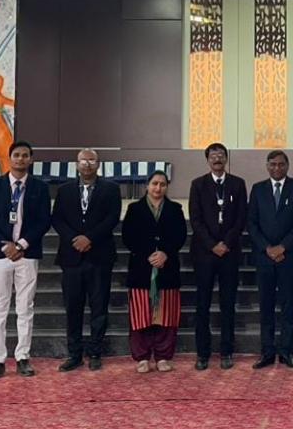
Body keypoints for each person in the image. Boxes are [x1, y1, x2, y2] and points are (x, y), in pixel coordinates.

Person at [0, 140, 51, 379]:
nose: (21, 159)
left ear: (31, 159)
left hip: (27, 254)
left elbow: (44, 221)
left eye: (25, 155)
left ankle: (23, 357)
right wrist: (6, 246)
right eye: (17, 155)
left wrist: (21, 245)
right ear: (9, 158)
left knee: (25, 307)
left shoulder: (40, 187)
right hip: (0, 254)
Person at [53, 149, 122, 371]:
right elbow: (57, 219)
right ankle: (74, 354)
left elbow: (112, 217)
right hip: (71, 257)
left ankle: (95, 352)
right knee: (73, 308)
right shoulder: (64, 190)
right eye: (83, 160)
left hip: (99, 256)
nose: (87, 164)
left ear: (98, 164)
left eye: (91, 160)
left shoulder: (111, 189)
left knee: (99, 308)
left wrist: (89, 238)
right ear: (76, 164)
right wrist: (75, 239)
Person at [247, 150, 293, 369]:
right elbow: (251, 223)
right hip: (264, 257)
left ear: (287, 166)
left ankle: (285, 351)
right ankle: (267, 352)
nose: (277, 168)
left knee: (288, 305)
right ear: (267, 166)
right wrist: (267, 248)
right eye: (273, 164)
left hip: (288, 256)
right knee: (265, 306)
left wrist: (283, 247)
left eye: (281, 164)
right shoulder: (257, 189)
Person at [189, 142, 247, 370]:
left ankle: (226, 351)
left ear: (226, 159)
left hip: (229, 253)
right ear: (207, 160)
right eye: (213, 156)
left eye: (221, 155)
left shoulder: (238, 184)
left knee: (228, 304)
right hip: (204, 254)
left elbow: (241, 218)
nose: (217, 159)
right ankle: (202, 353)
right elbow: (195, 220)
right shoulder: (198, 184)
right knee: (202, 305)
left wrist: (226, 243)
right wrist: (212, 245)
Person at [121, 171, 187, 373]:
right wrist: (147, 255)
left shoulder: (175, 209)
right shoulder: (134, 209)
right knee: (141, 315)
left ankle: (163, 356)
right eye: (154, 184)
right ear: (147, 185)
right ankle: (142, 357)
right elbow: (127, 237)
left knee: (166, 315)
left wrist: (165, 253)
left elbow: (181, 236)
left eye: (162, 184)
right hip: (141, 269)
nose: (158, 188)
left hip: (167, 269)